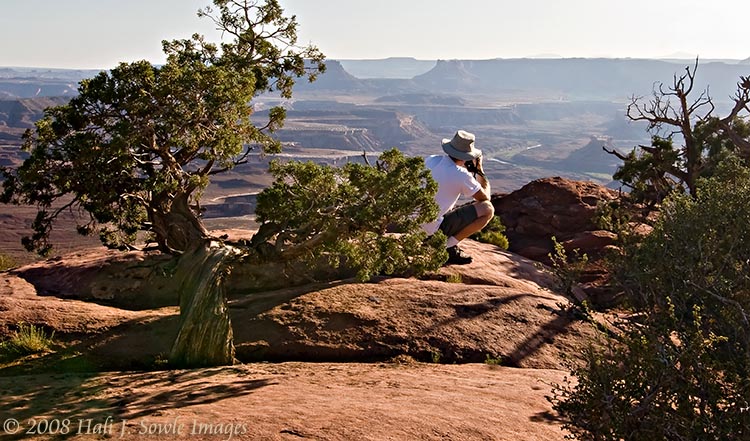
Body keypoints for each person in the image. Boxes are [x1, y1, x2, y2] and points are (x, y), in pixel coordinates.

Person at [422, 130, 494, 265]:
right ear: (467, 156)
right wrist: (479, 169)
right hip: (431, 230)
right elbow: (485, 199)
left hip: (411, 226)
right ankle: (446, 248)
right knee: (487, 209)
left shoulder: (430, 159)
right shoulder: (461, 174)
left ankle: (437, 243)